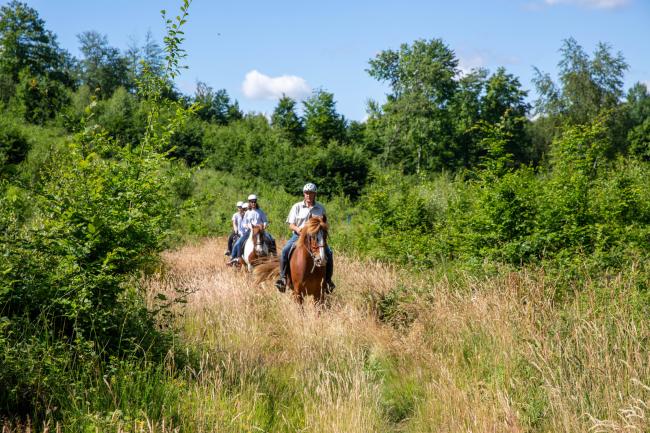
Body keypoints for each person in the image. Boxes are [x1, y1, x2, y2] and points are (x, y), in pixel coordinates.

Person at [275, 183, 334, 292]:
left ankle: (328, 281)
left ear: (315, 194)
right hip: (298, 236)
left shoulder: (320, 208)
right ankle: (283, 279)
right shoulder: (296, 206)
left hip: (315, 237)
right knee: (285, 251)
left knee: (329, 253)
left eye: (311, 193)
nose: (308, 195)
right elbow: (290, 224)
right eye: (307, 193)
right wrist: (298, 229)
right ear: (304, 194)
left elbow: (324, 223)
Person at [229, 194, 275, 263]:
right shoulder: (247, 212)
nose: (253, 203)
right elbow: (244, 223)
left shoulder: (260, 211)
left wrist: (264, 225)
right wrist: (249, 226)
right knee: (238, 242)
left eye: (254, 201)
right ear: (249, 202)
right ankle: (235, 258)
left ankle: (274, 256)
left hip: (260, 231)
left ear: (256, 202)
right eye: (251, 202)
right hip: (250, 231)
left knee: (271, 239)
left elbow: (265, 221)